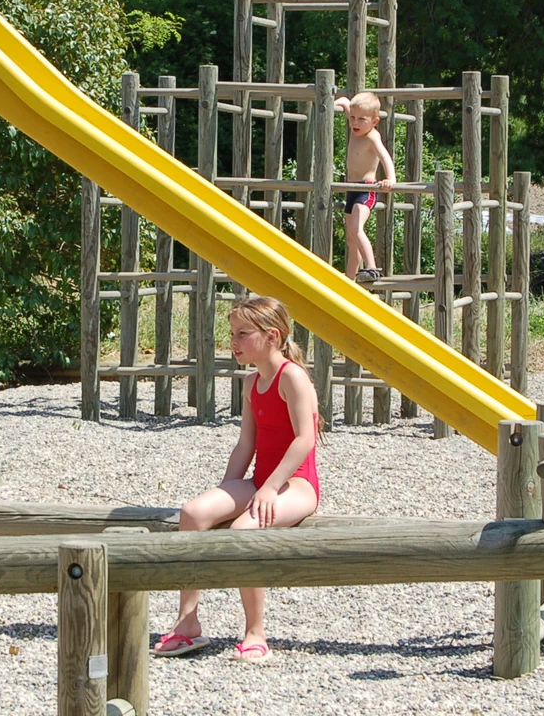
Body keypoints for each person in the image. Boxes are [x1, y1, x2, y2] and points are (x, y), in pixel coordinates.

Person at [150, 296, 320, 663]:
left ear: (272, 336)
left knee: (244, 531)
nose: (234, 341)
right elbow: (246, 443)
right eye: (233, 333)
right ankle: (188, 623)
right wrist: (228, 489)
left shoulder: (292, 377)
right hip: (262, 480)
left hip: (298, 485)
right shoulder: (251, 382)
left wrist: (272, 487)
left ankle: (256, 632)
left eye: (243, 334)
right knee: (193, 513)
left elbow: (305, 439)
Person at [333, 91, 396, 283]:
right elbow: (345, 102)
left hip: (367, 189)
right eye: (352, 118)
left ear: (374, 121)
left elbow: (385, 158)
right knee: (352, 239)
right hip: (352, 188)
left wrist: (389, 178)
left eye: (361, 119)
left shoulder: (372, 137)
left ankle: (372, 267)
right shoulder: (356, 128)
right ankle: (350, 279)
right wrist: (340, 103)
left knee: (355, 228)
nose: (355, 123)